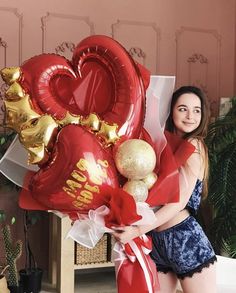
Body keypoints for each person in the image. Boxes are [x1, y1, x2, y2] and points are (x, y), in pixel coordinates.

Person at [112, 86, 217, 293]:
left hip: (185, 239)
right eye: (183, 109)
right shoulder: (161, 145)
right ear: (172, 111)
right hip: (157, 241)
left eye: (197, 110)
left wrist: (137, 230)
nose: (190, 116)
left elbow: (178, 203)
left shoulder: (194, 145)